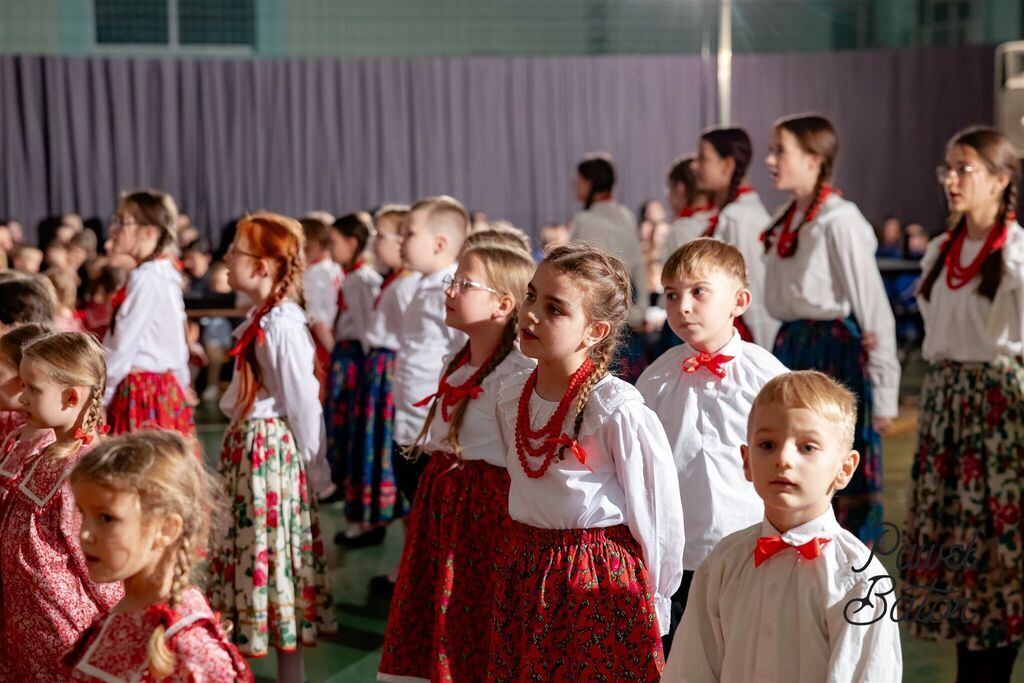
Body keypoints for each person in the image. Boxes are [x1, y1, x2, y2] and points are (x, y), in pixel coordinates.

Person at [487, 243, 683, 681]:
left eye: (554, 308)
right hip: (527, 565)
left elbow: (656, 510)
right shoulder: (510, 396)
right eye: (532, 296)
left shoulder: (615, 407)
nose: (531, 313)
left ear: (594, 331)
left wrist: (657, 600)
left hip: (594, 578)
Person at [662, 371, 903, 683]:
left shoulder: (859, 580)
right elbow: (690, 670)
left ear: (844, 469)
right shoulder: (722, 563)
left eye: (807, 447)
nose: (784, 459)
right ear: (746, 461)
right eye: (767, 444)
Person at [379, 244, 535, 682]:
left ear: (503, 304)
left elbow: (517, 460)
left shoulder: (517, 375)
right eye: (453, 281)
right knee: (440, 608)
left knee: (476, 612)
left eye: (465, 283)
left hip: (486, 516)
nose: (451, 289)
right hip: (447, 505)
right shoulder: (458, 361)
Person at [904, 126, 1024, 682]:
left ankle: (993, 656)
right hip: (947, 408)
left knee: (999, 546)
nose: (951, 180)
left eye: (964, 169)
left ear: (1001, 180)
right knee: (955, 545)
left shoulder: (1018, 254)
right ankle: (971, 659)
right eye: (946, 169)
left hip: (998, 414)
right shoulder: (940, 251)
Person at [636, 238, 787, 655]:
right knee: (684, 656)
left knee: (749, 655)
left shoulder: (766, 376)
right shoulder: (656, 378)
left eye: (699, 292)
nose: (682, 306)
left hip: (749, 545)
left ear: (738, 301)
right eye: (671, 295)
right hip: (678, 553)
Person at [207, 213, 336, 683]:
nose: (226, 258)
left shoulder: (282, 325)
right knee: (252, 547)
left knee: (274, 551)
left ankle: (291, 671)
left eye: (235, 252)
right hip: (251, 451)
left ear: (262, 266)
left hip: (268, 454)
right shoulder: (261, 318)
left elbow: (303, 404)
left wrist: (315, 466)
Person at [761, 113, 900, 543]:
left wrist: (885, 394)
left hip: (832, 353)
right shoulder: (791, 218)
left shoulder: (839, 220)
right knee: (792, 457)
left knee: (828, 457)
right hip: (794, 348)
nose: (771, 160)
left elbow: (873, 308)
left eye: (781, 151)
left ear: (815, 159)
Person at [65, 430, 253, 681]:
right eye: (83, 514)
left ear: (166, 529)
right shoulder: (119, 613)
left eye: (106, 518)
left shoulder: (191, 647)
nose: (85, 533)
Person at [0, 332, 123, 681]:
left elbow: (102, 570)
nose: (22, 397)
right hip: (28, 630)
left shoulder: (86, 473)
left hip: (64, 637)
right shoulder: (46, 454)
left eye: (33, 389)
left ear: (71, 397)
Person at [103, 189, 195, 437]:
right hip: (158, 388)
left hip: (143, 394)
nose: (115, 229)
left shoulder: (149, 278)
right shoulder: (158, 274)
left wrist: (101, 395)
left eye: (123, 222)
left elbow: (123, 344)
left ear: (148, 232)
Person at [569, 153, 649, 382]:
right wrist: (641, 308)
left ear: (589, 183)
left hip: (598, 317)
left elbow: (577, 275)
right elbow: (638, 266)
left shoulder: (584, 220)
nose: (576, 187)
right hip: (627, 312)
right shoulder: (626, 215)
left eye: (579, 182)